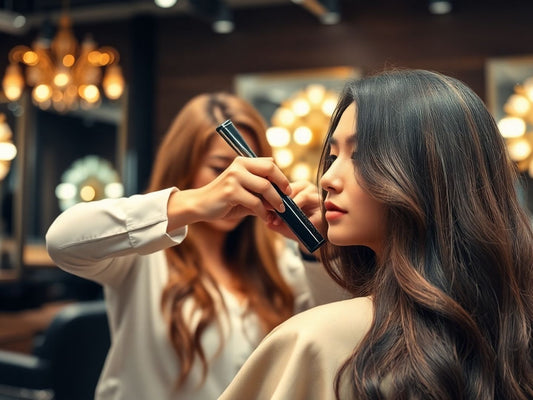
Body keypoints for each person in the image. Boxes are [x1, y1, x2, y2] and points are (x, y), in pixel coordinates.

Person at [218, 69, 533, 400]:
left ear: (428, 172)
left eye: (360, 156)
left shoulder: (316, 341)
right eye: (332, 157)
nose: (327, 179)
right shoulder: (512, 332)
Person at [45, 92, 346, 400]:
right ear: (183, 166)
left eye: (251, 173)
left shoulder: (278, 262)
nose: (236, 183)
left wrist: (318, 249)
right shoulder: (143, 256)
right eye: (219, 170)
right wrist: (199, 201)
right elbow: (62, 241)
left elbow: (337, 332)